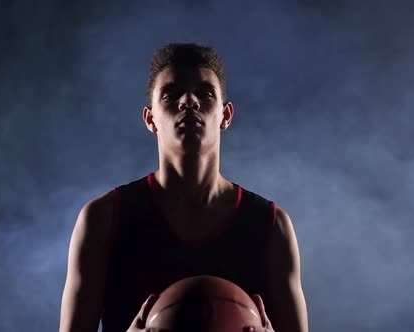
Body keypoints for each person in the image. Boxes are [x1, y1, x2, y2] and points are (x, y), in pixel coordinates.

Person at [59, 43, 308, 332]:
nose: (189, 101)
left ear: (225, 115)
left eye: (205, 93)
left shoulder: (271, 224)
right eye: (170, 94)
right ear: (150, 118)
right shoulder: (103, 218)